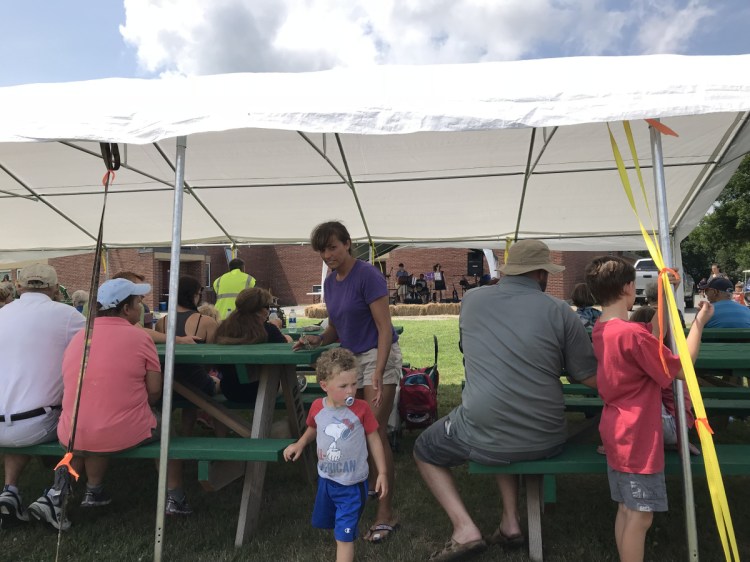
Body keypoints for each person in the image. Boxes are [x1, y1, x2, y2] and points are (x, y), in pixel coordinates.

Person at [414, 240, 597, 561]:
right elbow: (587, 376)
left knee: (425, 449)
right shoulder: (559, 311)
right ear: (541, 273)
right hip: (546, 435)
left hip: (485, 426)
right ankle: (510, 524)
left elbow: (465, 347)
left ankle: (465, 529)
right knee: (501, 425)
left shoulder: (471, 300)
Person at [585, 256, 713, 562]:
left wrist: (665, 297)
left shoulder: (605, 328)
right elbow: (683, 368)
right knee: (641, 517)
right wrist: (699, 322)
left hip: (618, 431)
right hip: (638, 437)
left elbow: (652, 335)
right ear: (629, 287)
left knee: (627, 509)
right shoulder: (631, 334)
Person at [48, 278, 191, 527]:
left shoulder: (79, 337)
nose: (141, 308)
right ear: (126, 309)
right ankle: (175, 498)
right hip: (120, 431)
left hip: (71, 432)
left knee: (98, 426)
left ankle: (94, 490)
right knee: (168, 431)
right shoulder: (139, 338)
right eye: (138, 303)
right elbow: (155, 391)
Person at [294, 221, 401, 543]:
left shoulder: (367, 275)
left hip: (377, 356)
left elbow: (384, 328)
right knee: (355, 430)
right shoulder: (331, 282)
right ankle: (363, 489)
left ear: (347, 244)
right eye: (323, 250)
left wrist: (380, 372)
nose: (328, 255)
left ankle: (386, 514)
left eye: (332, 248)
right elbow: (336, 329)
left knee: (374, 432)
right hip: (351, 363)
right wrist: (315, 340)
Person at [0, 264, 86, 530]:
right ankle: (55, 497)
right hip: (39, 420)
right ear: (54, 288)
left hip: (2, 422)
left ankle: (9, 491)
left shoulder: (3, 313)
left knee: (18, 415)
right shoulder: (67, 314)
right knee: (86, 423)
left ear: (20, 286)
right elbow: (102, 339)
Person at [283, 347, 388, 562]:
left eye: (354, 384)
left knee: (344, 537)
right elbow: (313, 428)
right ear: (324, 386)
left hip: (352, 485)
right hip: (327, 481)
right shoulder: (317, 408)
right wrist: (300, 444)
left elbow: (374, 437)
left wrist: (383, 472)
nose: (350, 391)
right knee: (333, 525)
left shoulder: (362, 409)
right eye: (343, 386)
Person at [155, 275, 220, 434]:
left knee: (186, 383)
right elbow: (215, 358)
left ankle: (177, 434)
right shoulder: (206, 322)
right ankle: (222, 437)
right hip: (198, 384)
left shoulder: (161, 323)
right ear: (194, 295)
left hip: (168, 384)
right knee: (222, 383)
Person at [214, 287, 287, 403]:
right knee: (291, 384)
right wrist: (278, 329)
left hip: (229, 390)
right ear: (260, 310)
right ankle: (292, 419)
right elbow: (286, 356)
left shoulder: (223, 328)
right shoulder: (268, 330)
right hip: (263, 390)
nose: (268, 311)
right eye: (267, 307)